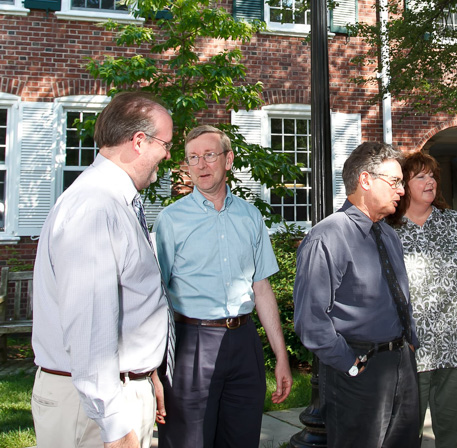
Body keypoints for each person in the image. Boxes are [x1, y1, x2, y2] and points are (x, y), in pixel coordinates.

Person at [31, 91, 175, 448]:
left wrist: (145, 375)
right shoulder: (95, 208)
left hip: (119, 390)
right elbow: (89, 325)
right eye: (166, 144)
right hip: (94, 407)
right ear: (139, 141)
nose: (168, 155)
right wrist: (113, 423)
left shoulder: (114, 201)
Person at [154, 125, 293, 448]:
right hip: (192, 342)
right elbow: (154, 296)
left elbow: (262, 288)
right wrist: (152, 371)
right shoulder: (170, 221)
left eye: (209, 156)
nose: (201, 165)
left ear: (228, 160)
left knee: (242, 439)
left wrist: (281, 356)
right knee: (187, 441)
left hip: (244, 342)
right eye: (193, 158)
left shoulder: (250, 217)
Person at [293, 141, 421, 448]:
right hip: (357, 370)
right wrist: (349, 362)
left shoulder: (388, 234)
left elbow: (400, 297)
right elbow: (311, 320)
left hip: (401, 366)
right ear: (365, 180)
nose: (401, 191)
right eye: (394, 182)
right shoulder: (327, 237)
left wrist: (411, 344)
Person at [389, 151, 457, 448]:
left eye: (432, 175)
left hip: (455, 345)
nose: (430, 180)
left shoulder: (454, 222)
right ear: (404, 185)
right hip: (410, 350)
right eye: (420, 176)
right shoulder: (388, 229)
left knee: (453, 430)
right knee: (405, 433)